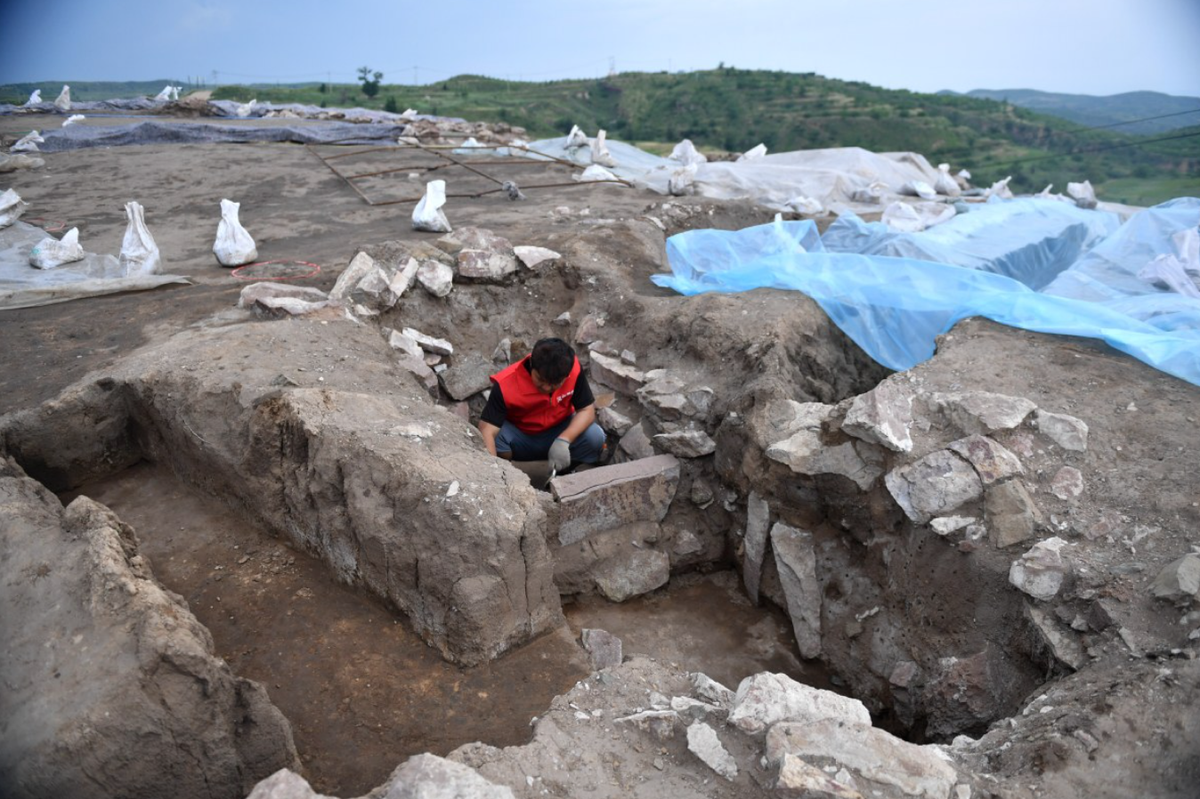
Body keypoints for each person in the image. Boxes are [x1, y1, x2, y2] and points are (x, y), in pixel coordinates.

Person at [478, 337, 607, 473]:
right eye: (540, 379)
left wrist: (564, 440)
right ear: (532, 364)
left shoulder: (573, 370)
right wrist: (493, 473)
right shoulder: (506, 384)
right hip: (522, 438)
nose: (546, 388)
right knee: (496, 438)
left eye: (555, 383)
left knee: (595, 437)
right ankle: (507, 474)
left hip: (559, 430)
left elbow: (586, 410)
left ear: (565, 376)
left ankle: (564, 472)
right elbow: (486, 429)